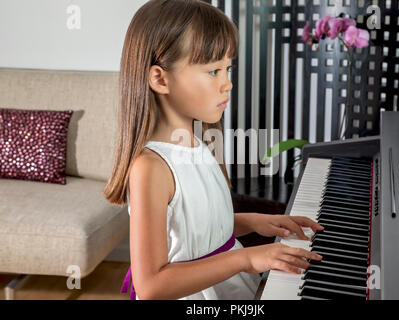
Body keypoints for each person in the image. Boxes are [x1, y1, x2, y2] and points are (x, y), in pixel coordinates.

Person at [104, 0, 323, 300]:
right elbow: (151, 285)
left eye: (227, 68)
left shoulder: (200, 141)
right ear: (160, 78)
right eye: (213, 71)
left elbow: (196, 228)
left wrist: (256, 221)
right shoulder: (151, 168)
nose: (228, 84)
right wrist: (246, 259)